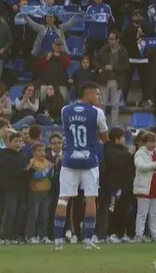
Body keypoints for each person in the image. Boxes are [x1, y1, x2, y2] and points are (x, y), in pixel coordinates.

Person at [54, 82, 110, 250]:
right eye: (98, 94)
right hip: (89, 159)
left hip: (70, 159)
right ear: (89, 94)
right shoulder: (97, 112)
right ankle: (87, 241)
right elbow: (105, 137)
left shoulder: (65, 110)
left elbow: (67, 132)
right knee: (91, 198)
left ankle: (58, 242)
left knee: (63, 199)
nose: (99, 97)